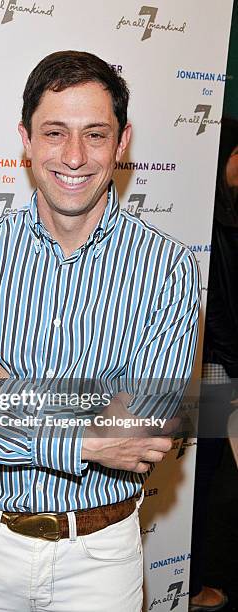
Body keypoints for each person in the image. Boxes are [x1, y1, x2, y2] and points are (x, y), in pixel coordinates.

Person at [0, 50, 200, 612]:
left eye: (95, 134)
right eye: (55, 132)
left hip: (99, 556)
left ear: (122, 143)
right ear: (25, 139)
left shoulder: (169, 267)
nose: (74, 156)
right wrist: (83, 435)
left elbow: (142, 424)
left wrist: (8, 392)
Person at [189, 117, 238, 612]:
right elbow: (220, 311)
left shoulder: (218, 212)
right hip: (213, 371)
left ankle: (190, 580)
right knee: (202, 481)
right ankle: (190, 585)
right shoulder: (213, 219)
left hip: (214, 368)